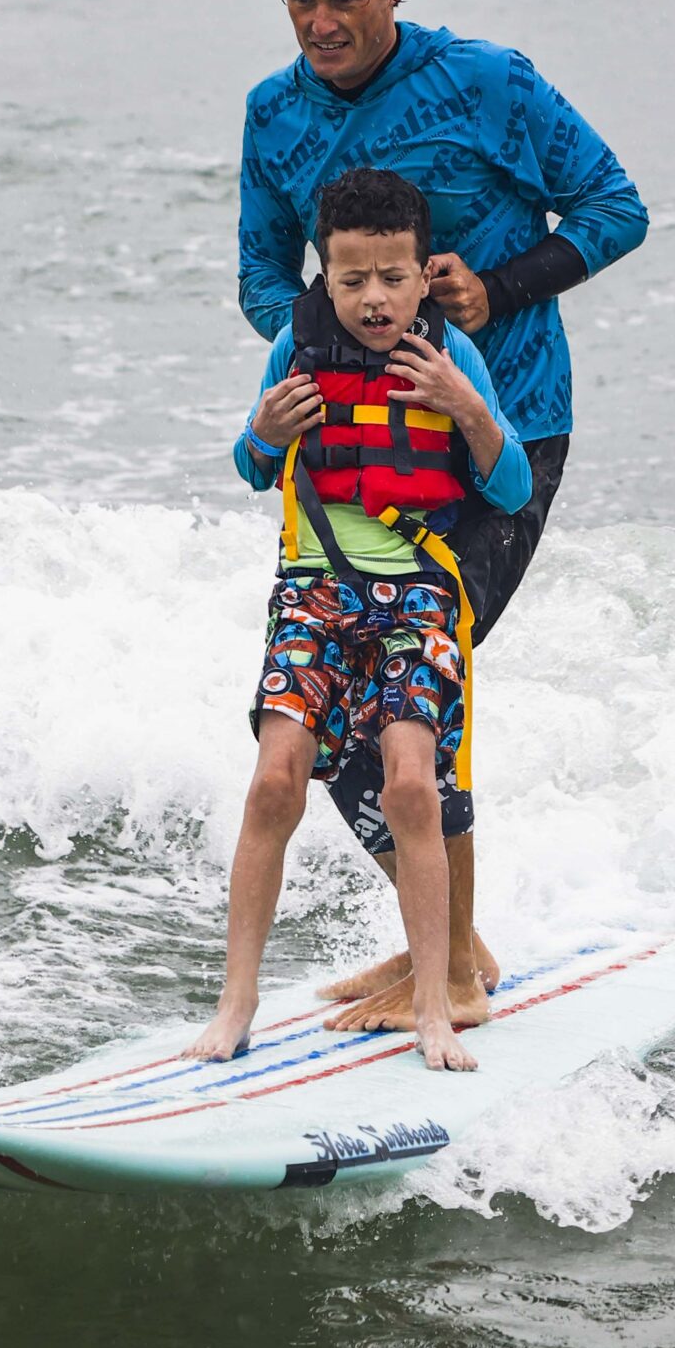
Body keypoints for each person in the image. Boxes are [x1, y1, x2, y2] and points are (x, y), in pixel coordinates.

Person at [239, 0, 647, 1030]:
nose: (321, 24)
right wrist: (321, 340)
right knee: (324, 717)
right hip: (353, 460)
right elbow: (261, 272)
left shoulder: (488, 83)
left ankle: (452, 970)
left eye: (344, 0)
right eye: (300, 0)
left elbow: (614, 206)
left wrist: (496, 288)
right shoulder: (273, 115)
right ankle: (451, 944)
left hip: (504, 429)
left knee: (413, 704)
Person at [194, 166, 531, 1072]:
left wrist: (468, 410)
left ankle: (436, 1005)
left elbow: (510, 487)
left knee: (413, 785)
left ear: (425, 276)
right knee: (274, 781)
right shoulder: (294, 348)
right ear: (325, 276)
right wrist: (263, 434)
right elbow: (252, 466)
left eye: (392, 278)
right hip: (313, 589)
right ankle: (236, 1004)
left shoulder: (452, 357)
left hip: (418, 592)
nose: (373, 300)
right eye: (351, 281)